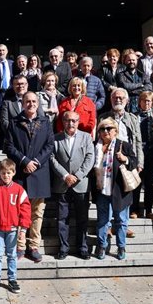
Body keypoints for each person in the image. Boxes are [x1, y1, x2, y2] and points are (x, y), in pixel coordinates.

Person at [4, 91, 54, 263]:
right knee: (19, 212)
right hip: (21, 173)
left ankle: (33, 247)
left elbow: (49, 146)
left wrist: (36, 162)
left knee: (37, 213)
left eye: (34, 101)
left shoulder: (45, 123)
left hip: (39, 174)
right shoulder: (14, 123)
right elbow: (9, 146)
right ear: (22, 103)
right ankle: (19, 246)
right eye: (28, 101)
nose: (31, 104)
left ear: (38, 104)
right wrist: (24, 161)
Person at [0, 158, 31, 295]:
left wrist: (23, 229)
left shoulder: (19, 190)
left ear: (14, 173)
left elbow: (25, 211)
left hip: (13, 229)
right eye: (3, 173)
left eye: (9, 173)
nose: (6, 176)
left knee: (11, 255)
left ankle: (12, 279)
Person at [50, 111, 95, 260]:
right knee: (62, 218)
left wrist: (77, 176)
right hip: (62, 184)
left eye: (74, 121)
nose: (71, 123)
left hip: (80, 184)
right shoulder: (55, 138)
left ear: (78, 122)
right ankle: (63, 248)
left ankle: (82, 248)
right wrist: (65, 175)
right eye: (68, 120)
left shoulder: (86, 137)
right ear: (63, 121)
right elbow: (52, 158)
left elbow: (90, 158)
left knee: (82, 218)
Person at [93, 117, 138, 260]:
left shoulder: (123, 145)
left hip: (120, 190)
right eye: (102, 129)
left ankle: (121, 247)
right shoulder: (96, 146)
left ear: (115, 131)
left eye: (108, 128)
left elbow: (134, 162)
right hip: (101, 190)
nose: (105, 131)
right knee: (102, 221)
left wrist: (125, 159)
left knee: (121, 221)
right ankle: (101, 246)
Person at [132, 91, 153, 219]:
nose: (146, 103)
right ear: (140, 102)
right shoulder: (133, 117)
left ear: (152, 102)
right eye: (144, 100)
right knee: (136, 183)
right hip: (137, 153)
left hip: (151, 154)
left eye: (149, 101)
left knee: (149, 184)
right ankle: (135, 210)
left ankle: (149, 210)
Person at [115, 49, 151, 114]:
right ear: (125, 61)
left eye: (133, 60)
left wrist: (132, 91)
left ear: (136, 61)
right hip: (127, 107)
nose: (131, 62)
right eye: (129, 60)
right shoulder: (120, 75)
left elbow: (149, 87)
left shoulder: (143, 75)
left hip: (141, 106)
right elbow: (124, 86)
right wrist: (140, 85)